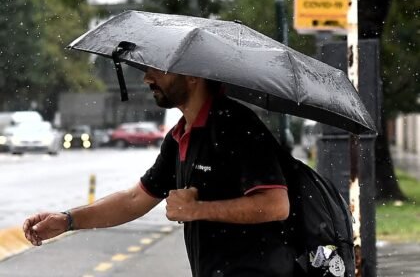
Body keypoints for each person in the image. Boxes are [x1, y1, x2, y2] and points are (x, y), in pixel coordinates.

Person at [23, 67, 295, 276]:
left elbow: (275, 205)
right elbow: (135, 200)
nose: (147, 79)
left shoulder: (236, 125)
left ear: (191, 75)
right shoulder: (179, 136)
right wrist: (68, 220)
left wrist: (197, 210)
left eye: (157, 69)